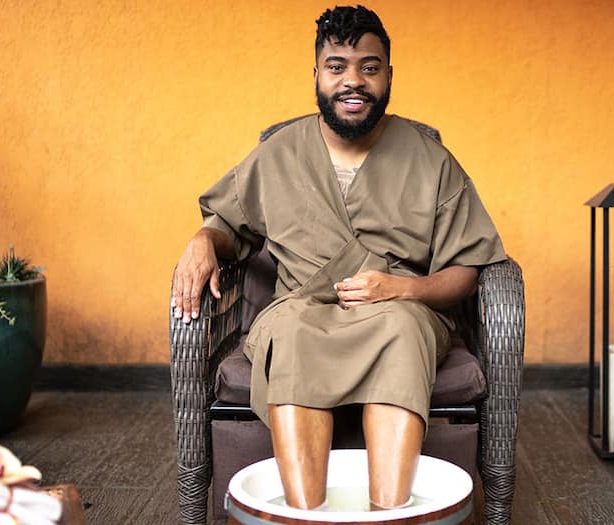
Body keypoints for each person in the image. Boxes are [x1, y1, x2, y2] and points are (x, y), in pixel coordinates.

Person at [171, 5, 505, 511]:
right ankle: (304, 518)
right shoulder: (280, 152)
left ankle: (393, 517)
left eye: (369, 67)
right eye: (337, 67)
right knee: (292, 331)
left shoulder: (431, 160)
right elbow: (226, 224)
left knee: (401, 327)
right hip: (301, 311)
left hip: (401, 314)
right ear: (318, 76)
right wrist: (202, 239)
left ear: (388, 74)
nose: (354, 81)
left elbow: (467, 269)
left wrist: (402, 289)